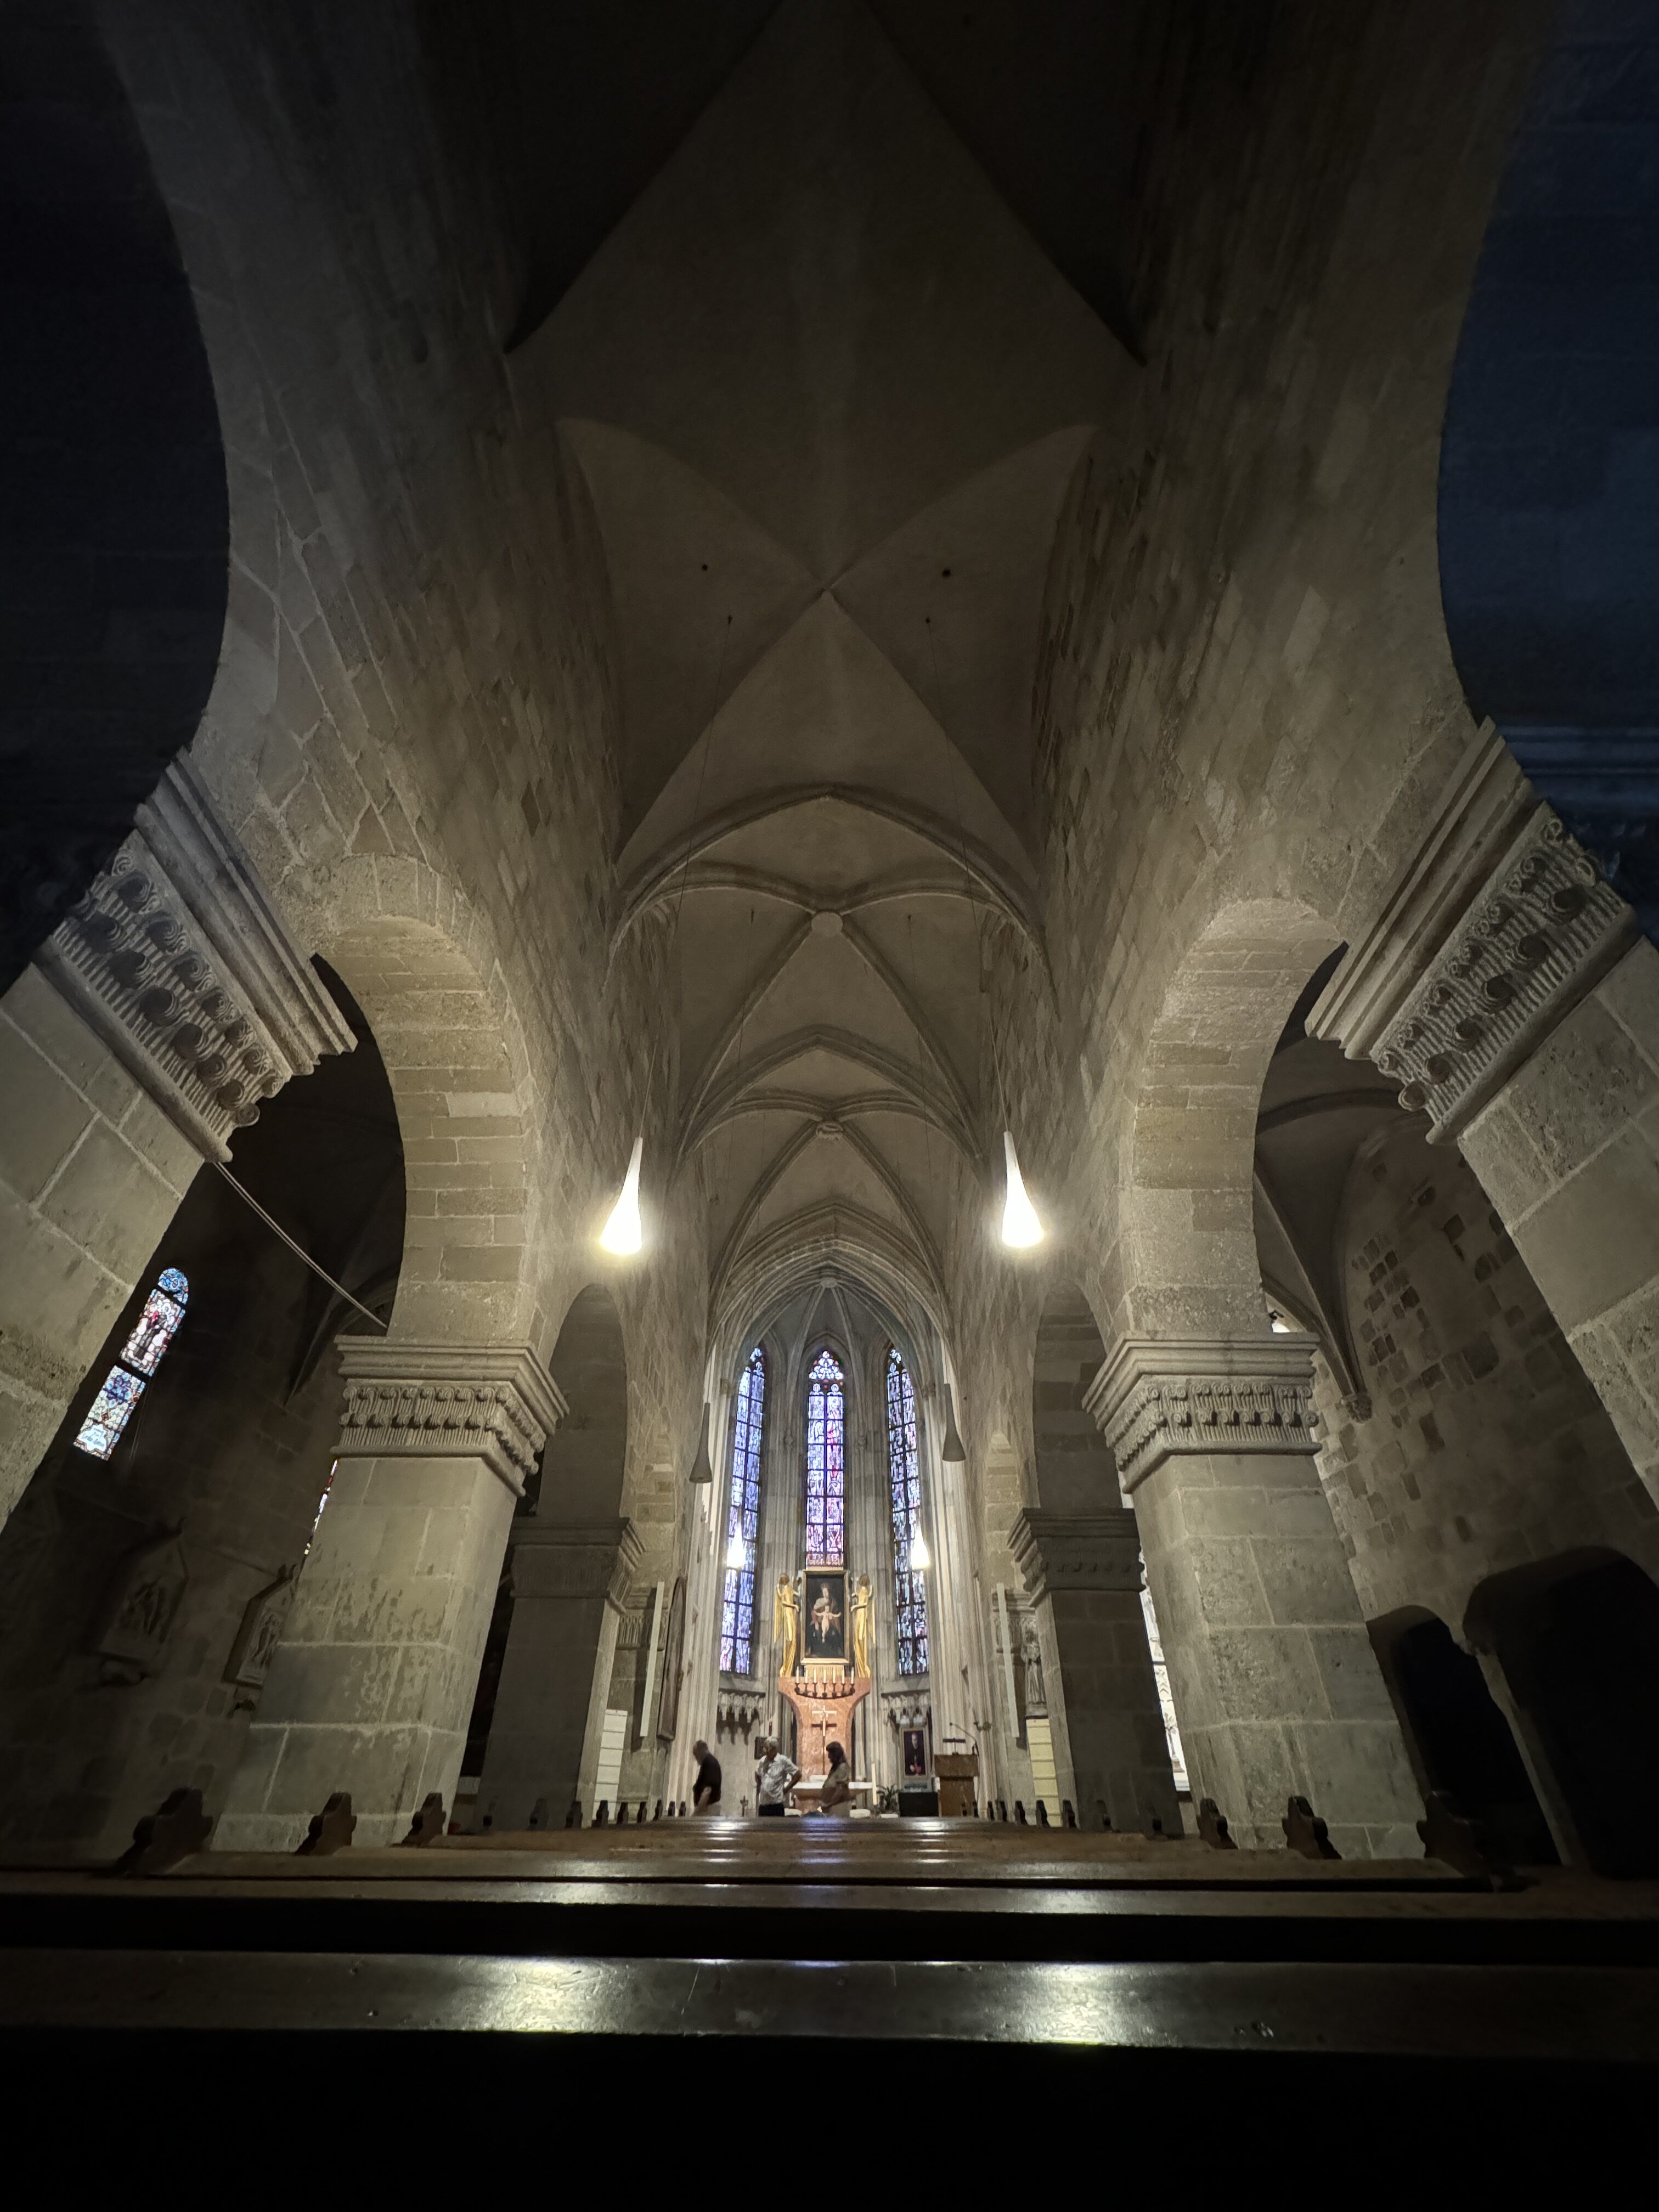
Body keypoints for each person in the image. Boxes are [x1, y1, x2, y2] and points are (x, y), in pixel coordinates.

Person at [754, 1736, 800, 1816]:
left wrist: (787, 1789)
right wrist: (760, 1786)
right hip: (763, 1804)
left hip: (776, 1805)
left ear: (774, 1749)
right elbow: (758, 1774)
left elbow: (798, 1774)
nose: (765, 1751)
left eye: (767, 1748)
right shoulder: (763, 1761)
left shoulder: (783, 1761)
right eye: (764, 1748)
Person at [817, 1740, 853, 1816]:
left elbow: (840, 1790)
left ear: (836, 1754)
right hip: (831, 1807)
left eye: (830, 1754)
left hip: (838, 1807)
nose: (828, 1756)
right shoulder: (836, 1768)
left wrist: (829, 1804)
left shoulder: (842, 1768)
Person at [691, 1739, 721, 1814]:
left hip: (706, 1810)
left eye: (696, 1755)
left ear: (701, 1751)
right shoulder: (710, 1761)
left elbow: (707, 1790)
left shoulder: (709, 1762)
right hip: (706, 1808)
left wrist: (697, 1811)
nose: (696, 1758)